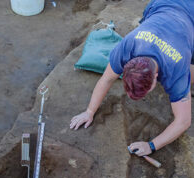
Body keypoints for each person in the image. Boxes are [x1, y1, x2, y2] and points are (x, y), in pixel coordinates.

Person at [70, 0, 194, 156]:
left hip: (190, 14)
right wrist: (89, 111)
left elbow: (183, 121)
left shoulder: (177, 68)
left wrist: (151, 145)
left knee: (189, 76)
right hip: (162, 4)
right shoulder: (127, 46)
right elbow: (106, 79)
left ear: (156, 77)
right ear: (127, 65)